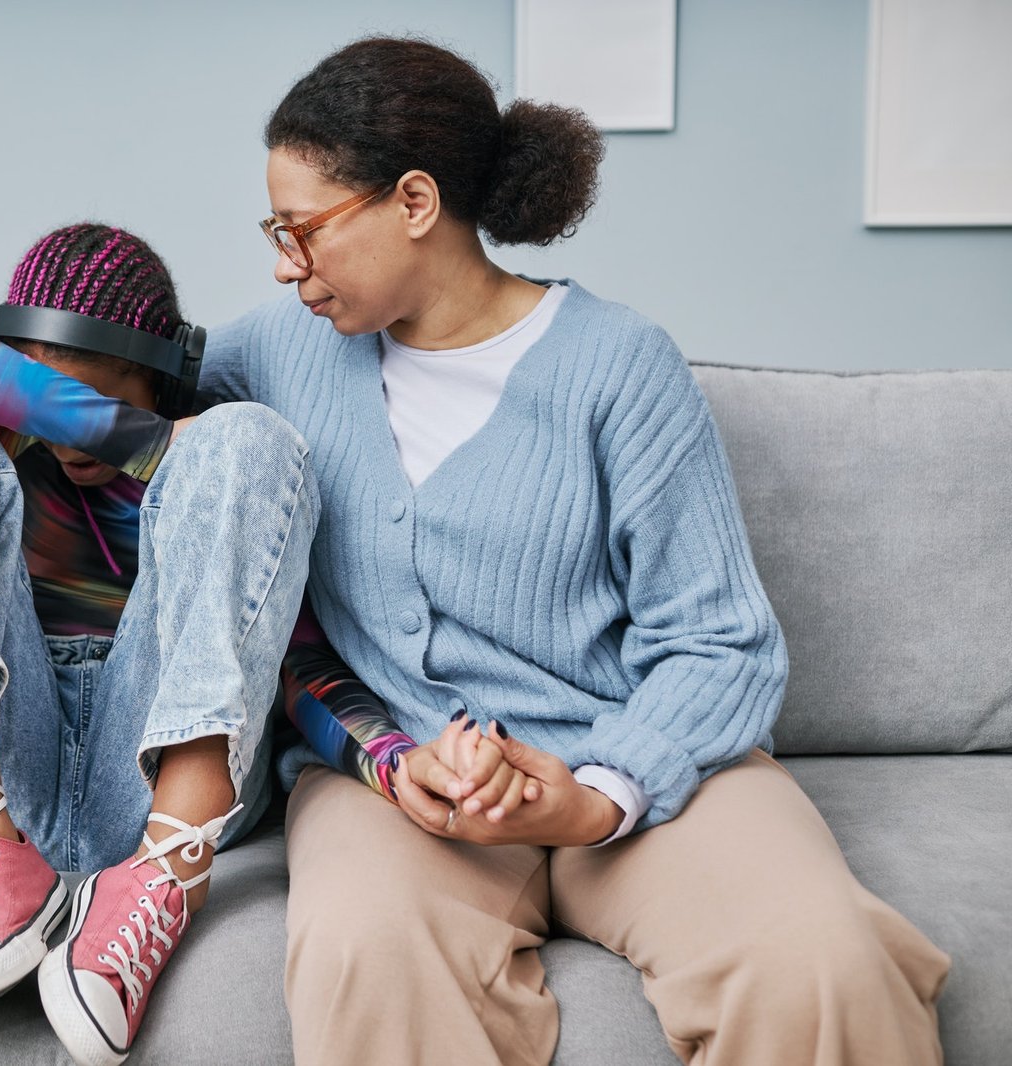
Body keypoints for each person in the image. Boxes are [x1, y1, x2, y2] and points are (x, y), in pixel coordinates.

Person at [203, 36, 953, 1066]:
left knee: (819, 964)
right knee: (363, 952)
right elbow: (118, 399)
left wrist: (599, 790)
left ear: (413, 202)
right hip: (402, 779)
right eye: (274, 232)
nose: (285, 264)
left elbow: (717, 641)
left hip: (637, 765)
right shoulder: (271, 351)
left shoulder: (619, 366)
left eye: (303, 231)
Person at [0, 223, 320, 1065]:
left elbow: (289, 650)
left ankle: (162, 882)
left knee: (254, 437)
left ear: (162, 376)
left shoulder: (206, 451)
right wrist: (122, 434)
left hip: (156, 779)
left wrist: (386, 755)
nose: (71, 440)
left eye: (106, 405)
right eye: (44, 403)